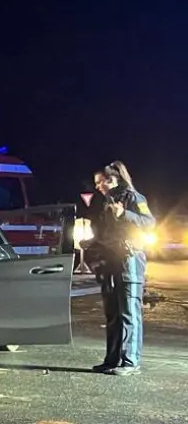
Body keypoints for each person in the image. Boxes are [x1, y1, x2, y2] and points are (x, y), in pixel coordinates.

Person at [84, 161, 153, 375]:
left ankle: (131, 362)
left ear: (111, 179)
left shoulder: (134, 197)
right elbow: (107, 234)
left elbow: (149, 222)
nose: (97, 187)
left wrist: (124, 214)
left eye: (99, 182)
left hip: (129, 260)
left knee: (129, 312)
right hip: (110, 262)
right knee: (113, 313)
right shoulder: (107, 201)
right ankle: (112, 359)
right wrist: (92, 243)